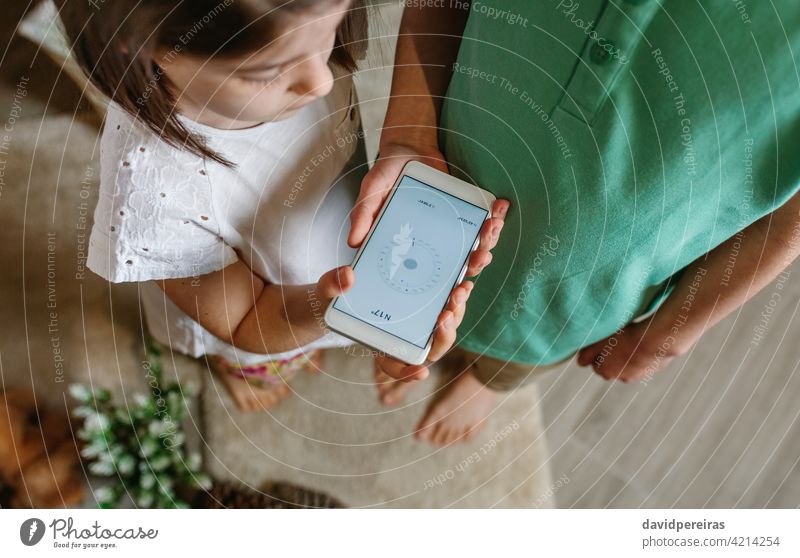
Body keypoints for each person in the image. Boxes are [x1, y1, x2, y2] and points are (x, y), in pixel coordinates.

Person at [353, 0, 800, 445]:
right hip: (458, 145)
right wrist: (409, 131)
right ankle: (420, 334)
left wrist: (674, 330)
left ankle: (489, 382)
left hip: (595, 278)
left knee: (535, 336)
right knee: (411, 287)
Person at [59, 0, 507, 412]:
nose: (321, 82)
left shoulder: (296, 38)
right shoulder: (155, 192)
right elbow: (244, 321)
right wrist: (321, 308)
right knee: (261, 360)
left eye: (326, 34)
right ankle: (241, 376)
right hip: (254, 312)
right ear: (140, 44)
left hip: (311, 268)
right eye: (266, 71)